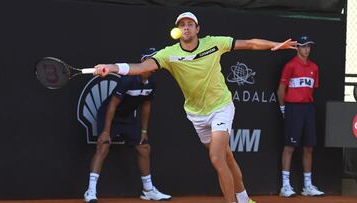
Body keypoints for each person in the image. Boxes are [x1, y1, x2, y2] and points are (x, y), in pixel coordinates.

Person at [93, 12, 297, 203]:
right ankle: (244, 199)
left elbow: (250, 44)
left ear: (198, 28)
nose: (186, 27)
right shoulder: (169, 54)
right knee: (226, 155)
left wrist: (275, 44)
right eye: (182, 25)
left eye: (190, 24)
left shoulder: (214, 43)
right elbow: (141, 67)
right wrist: (111, 67)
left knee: (217, 158)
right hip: (196, 114)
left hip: (221, 106)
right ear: (178, 31)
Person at [84, 48, 172, 203]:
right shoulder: (128, 80)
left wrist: (144, 130)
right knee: (103, 146)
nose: (152, 64)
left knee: (144, 147)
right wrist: (106, 131)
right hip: (108, 115)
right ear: (142, 61)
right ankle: (90, 191)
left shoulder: (152, 83)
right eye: (149, 60)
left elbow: (146, 106)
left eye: (155, 61)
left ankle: (148, 190)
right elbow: (112, 105)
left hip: (128, 119)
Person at [277, 36, 325, 197]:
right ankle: (285, 186)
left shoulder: (314, 68)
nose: (306, 49)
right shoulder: (290, 66)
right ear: (297, 48)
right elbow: (281, 91)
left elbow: (311, 90)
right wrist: (284, 109)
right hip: (293, 108)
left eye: (309, 47)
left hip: (308, 109)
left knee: (309, 147)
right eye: (303, 46)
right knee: (289, 146)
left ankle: (307, 186)